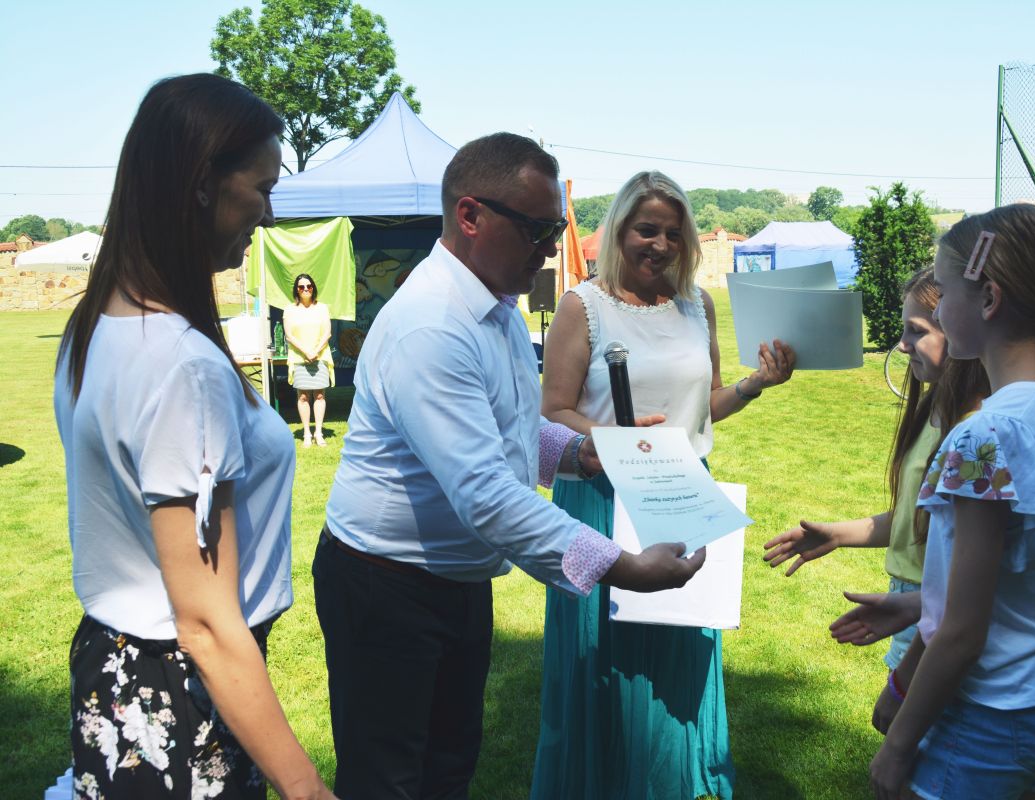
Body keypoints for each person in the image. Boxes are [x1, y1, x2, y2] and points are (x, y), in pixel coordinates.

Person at [313, 135, 707, 800]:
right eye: (536, 229)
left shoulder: (493, 308)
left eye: (554, 229)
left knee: (446, 769)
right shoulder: (432, 326)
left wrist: (582, 451)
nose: (550, 248)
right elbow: (487, 496)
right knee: (389, 781)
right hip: (388, 587)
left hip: (453, 579)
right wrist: (621, 567)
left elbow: (514, 430)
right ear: (471, 216)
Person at [54, 74, 335, 800]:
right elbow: (206, 624)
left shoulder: (96, 324)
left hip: (114, 670)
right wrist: (308, 789)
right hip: (183, 695)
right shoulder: (183, 365)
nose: (267, 214)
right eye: (262, 188)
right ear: (204, 183)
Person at [532, 171, 795, 800]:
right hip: (602, 493)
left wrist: (755, 385)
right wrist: (613, 438)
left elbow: (705, 404)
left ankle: (672, 780)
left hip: (682, 491)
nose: (660, 245)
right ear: (620, 229)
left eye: (673, 234)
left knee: (679, 639)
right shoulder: (582, 306)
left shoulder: (695, 305)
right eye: (646, 230)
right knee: (606, 650)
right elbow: (553, 412)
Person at [869, 203, 1035, 800]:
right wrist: (917, 606)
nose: (938, 309)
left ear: (988, 299)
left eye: (945, 291)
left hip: (996, 709)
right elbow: (1010, 579)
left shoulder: (984, 436)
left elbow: (962, 632)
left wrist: (897, 746)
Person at [763, 267, 988, 670]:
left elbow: (981, 567)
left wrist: (921, 610)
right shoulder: (934, 410)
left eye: (917, 331)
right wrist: (836, 534)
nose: (902, 345)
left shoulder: (975, 433)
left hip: (937, 610)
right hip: (914, 602)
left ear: (959, 330)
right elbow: (916, 520)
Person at [283, 272, 334, 446]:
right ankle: (306, 433)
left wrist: (315, 352)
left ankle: (318, 433)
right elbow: (289, 336)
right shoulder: (289, 310)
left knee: (319, 395)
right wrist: (306, 352)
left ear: (313, 288)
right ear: (296, 290)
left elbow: (327, 333)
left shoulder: (322, 308)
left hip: (320, 356)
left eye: (309, 286)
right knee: (303, 396)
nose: (306, 289)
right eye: (301, 287)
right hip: (299, 358)